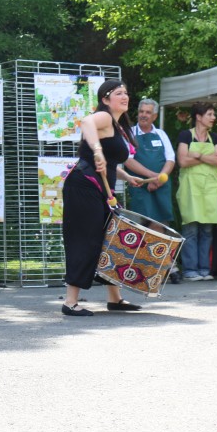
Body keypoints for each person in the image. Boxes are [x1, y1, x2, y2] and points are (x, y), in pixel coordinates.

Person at [61, 80, 144, 316]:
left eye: (126, 92)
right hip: (84, 186)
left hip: (101, 190)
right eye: (119, 93)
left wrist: (126, 176)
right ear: (106, 99)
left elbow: (109, 161)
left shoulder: (116, 125)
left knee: (111, 240)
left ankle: (114, 298)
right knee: (85, 240)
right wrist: (97, 150)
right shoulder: (104, 117)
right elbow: (86, 122)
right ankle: (70, 301)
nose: (125, 96)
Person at [176, 102, 217, 281]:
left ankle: (205, 269)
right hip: (190, 187)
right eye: (210, 114)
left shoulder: (216, 137)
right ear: (199, 117)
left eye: (213, 114)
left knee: (206, 230)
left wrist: (199, 156)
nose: (213, 118)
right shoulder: (185, 135)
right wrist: (209, 158)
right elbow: (183, 161)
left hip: (210, 188)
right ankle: (190, 270)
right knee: (190, 229)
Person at [125, 98, 176, 225]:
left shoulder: (161, 134)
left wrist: (159, 180)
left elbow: (170, 159)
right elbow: (128, 160)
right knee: (141, 226)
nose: (143, 115)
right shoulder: (130, 133)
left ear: (155, 116)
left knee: (162, 227)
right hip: (141, 187)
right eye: (141, 111)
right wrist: (153, 176)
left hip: (161, 187)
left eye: (148, 112)